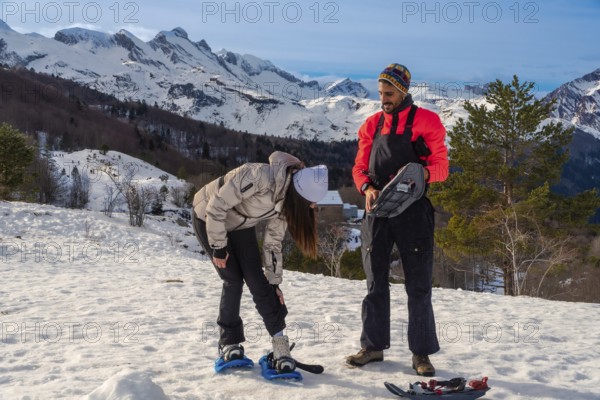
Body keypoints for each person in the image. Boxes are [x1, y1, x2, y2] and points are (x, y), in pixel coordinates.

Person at [346, 63, 449, 376]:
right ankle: (373, 347)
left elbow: (442, 169)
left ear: (403, 90)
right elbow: (359, 167)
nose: (383, 98)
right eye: (380, 93)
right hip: (378, 211)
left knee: (418, 285)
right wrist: (366, 188)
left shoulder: (427, 122)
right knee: (375, 281)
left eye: (389, 93)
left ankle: (421, 354)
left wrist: (415, 177)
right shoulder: (371, 125)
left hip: (413, 212)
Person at [192, 151, 328, 373]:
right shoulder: (257, 176)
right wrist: (218, 247)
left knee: (259, 282)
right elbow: (216, 206)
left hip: (240, 225)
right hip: (208, 217)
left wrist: (274, 282)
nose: (309, 209)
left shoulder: (287, 203)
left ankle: (280, 346)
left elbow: (273, 244)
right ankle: (229, 343)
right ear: (298, 194)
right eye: (308, 204)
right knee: (233, 280)